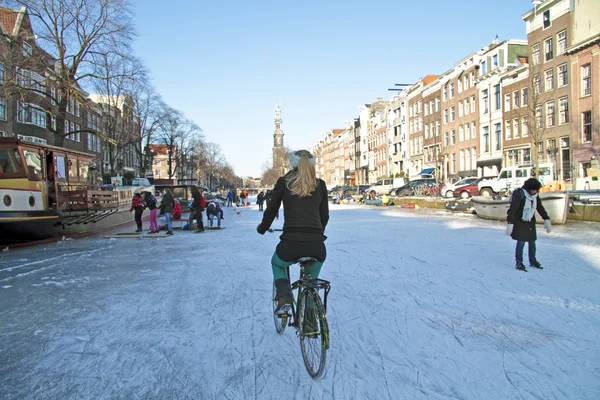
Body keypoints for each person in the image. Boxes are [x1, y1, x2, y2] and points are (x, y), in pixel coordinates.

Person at [256, 150, 329, 319]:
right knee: (312, 281)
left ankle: (284, 297)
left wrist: (263, 227)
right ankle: (311, 320)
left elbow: (272, 209)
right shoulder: (320, 184)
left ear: (292, 164)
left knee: (277, 263)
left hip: (291, 243)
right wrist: (318, 233)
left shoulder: (284, 182)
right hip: (317, 244)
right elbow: (324, 215)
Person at [506, 178, 552, 271]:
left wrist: (546, 218)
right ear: (528, 188)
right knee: (521, 242)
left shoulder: (535, 196)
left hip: (530, 221)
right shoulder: (520, 194)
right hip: (520, 221)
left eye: (536, 190)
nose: (534, 191)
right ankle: (519, 262)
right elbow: (513, 209)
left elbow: (540, 207)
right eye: (532, 189)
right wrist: (510, 222)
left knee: (532, 242)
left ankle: (533, 260)